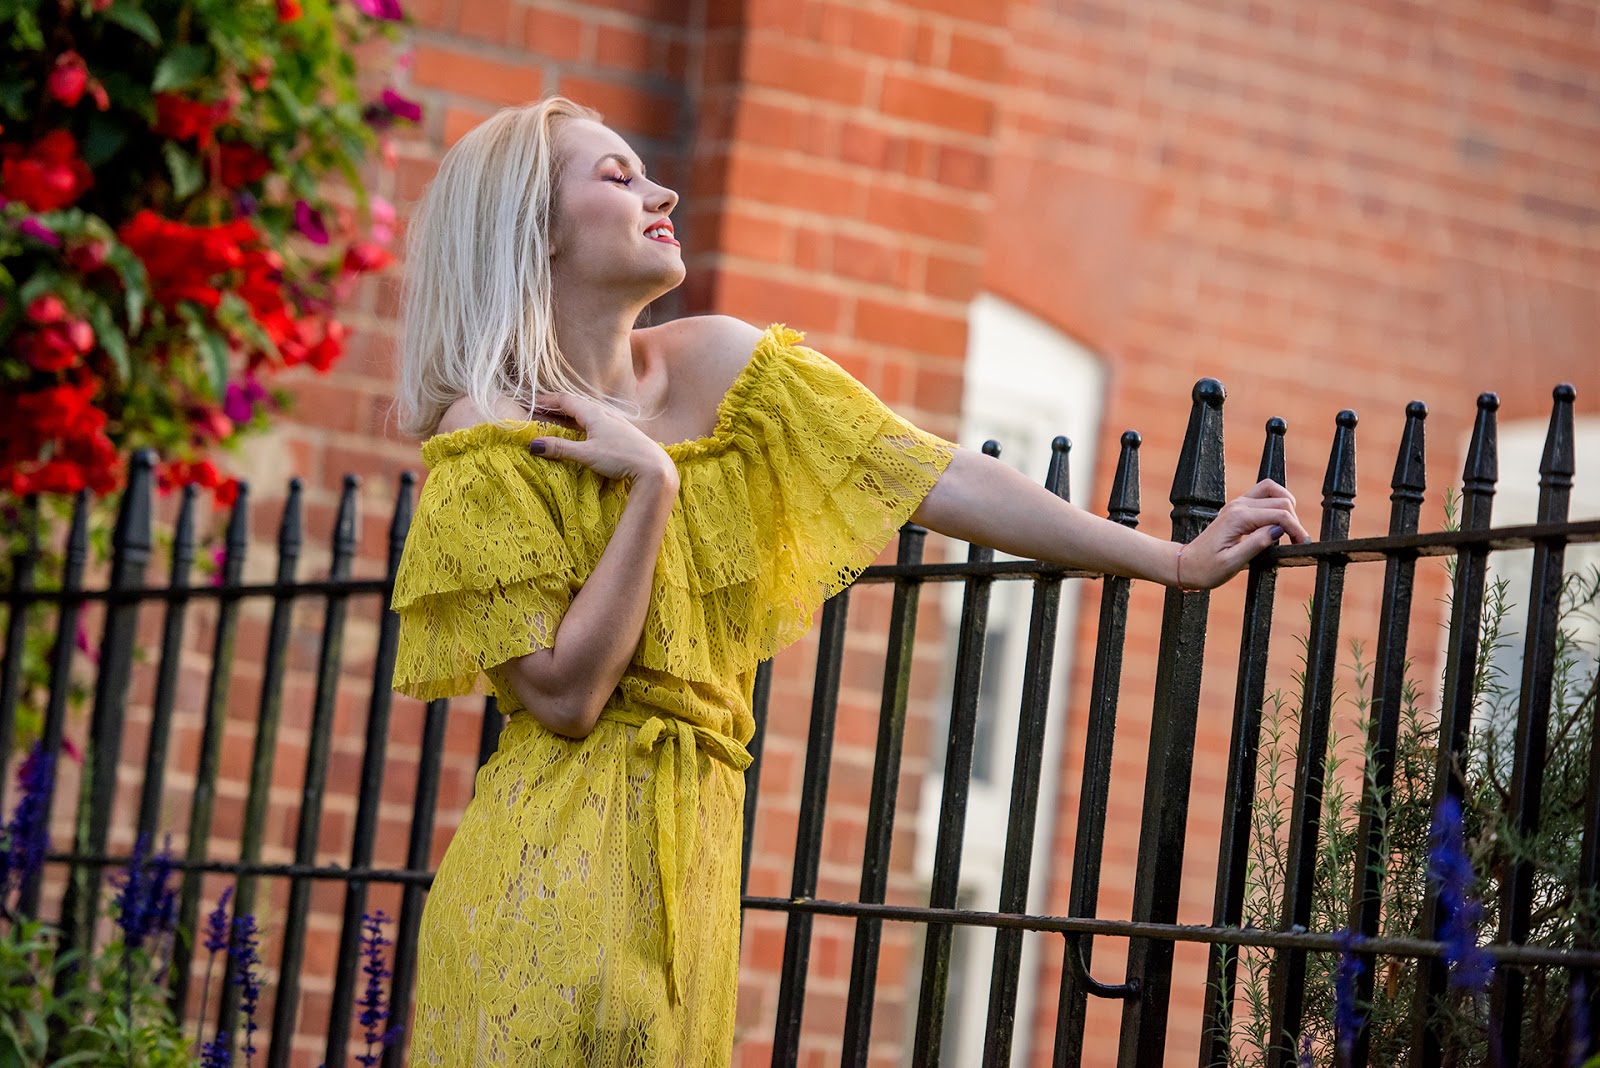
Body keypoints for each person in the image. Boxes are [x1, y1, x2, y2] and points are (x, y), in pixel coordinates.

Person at [389, 95, 1309, 1066]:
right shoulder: (488, 431)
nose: (660, 192)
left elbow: (933, 472)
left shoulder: (723, 366)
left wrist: (1169, 560)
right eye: (616, 177)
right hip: (543, 880)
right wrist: (652, 486)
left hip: (691, 868)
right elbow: (568, 699)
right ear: (528, 230)